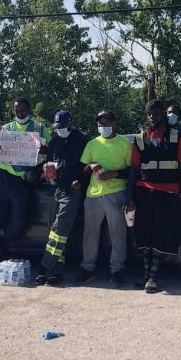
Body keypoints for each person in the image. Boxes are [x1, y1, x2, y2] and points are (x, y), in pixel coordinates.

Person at [0, 97, 52, 280]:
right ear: (13, 111)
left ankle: (3, 248)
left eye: (23, 110)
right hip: (3, 175)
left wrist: (44, 150)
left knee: (21, 219)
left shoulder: (40, 128)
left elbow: (50, 150)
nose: (20, 113)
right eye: (17, 111)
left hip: (23, 179)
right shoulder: (6, 129)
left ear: (29, 109)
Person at [127, 99, 181, 293]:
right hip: (144, 191)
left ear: (163, 114)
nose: (151, 117)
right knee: (144, 235)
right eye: (148, 114)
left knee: (160, 236)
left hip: (168, 193)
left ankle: (153, 276)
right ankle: (145, 275)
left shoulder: (177, 137)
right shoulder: (140, 139)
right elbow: (134, 171)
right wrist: (130, 196)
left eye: (155, 113)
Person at [77, 110, 132, 286]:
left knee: (118, 233)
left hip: (116, 193)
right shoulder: (92, 144)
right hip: (93, 194)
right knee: (90, 233)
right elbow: (83, 169)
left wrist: (113, 174)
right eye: (101, 123)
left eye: (107, 122)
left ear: (114, 124)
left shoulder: (125, 144)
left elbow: (132, 171)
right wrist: (92, 165)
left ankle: (116, 269)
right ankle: (88, 268)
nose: (104, 126)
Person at [36, 110, 90, 286]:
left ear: (70, 124)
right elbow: (51, 162)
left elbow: (88, 165)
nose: (59, 130)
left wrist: (80, 181)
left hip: (72, 190)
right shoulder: (54, 141)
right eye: (57, 127)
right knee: (54, 231)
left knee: (60, 229)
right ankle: (55, 272)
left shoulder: (82, 141)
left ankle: (45, 266)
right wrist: (47, 171)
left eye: (62, 126)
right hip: (56, 188)